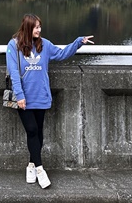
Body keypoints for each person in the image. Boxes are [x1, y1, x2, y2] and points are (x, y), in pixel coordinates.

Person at [6, 13, 94, 189]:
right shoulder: (13, 45)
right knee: (31, 129)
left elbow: (61, 54)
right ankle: (40, 169)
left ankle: (31, 165)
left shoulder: (44, 45)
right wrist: (20, 95)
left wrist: (78, 42)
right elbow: (13, 72)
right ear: (27, 27)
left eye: (40, 27)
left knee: (38, 132)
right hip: (24, 96)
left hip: (41, 95)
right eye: (36, 27)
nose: (39, 30)